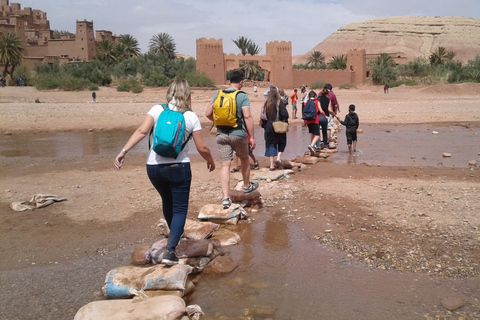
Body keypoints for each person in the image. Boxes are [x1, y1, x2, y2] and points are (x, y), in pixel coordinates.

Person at [114, 79, 215, 265]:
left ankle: (173, 238)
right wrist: (210, 161)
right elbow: (202, 147)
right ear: (188, 94)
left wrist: (123, 152)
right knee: (180, 208)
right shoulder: (190, 116)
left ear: (169, 92)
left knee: (167, 201)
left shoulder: (157, 110)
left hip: (154, 168)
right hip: (179, 167)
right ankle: (170, 251)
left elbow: (141, 131)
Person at [205, 70, 258, 209]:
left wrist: (217, 122)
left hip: (221, 134)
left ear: (229, 82)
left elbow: (207, 113)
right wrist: (251, 136)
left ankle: (225, 198)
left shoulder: (218, 94)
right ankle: (246, 186)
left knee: (225, 165)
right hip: (238, 133)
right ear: (241, 82)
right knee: (244, 158)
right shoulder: (242, 96)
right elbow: (247, 117)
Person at [260, 88, 289, 170]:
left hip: (268, 127)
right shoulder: (280, 102)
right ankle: (279, 158)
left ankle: (272, 165)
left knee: (270, 144)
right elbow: (285, 115)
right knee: (282, 141)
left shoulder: (266, 103)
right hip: (278, 126)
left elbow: (263, 116)